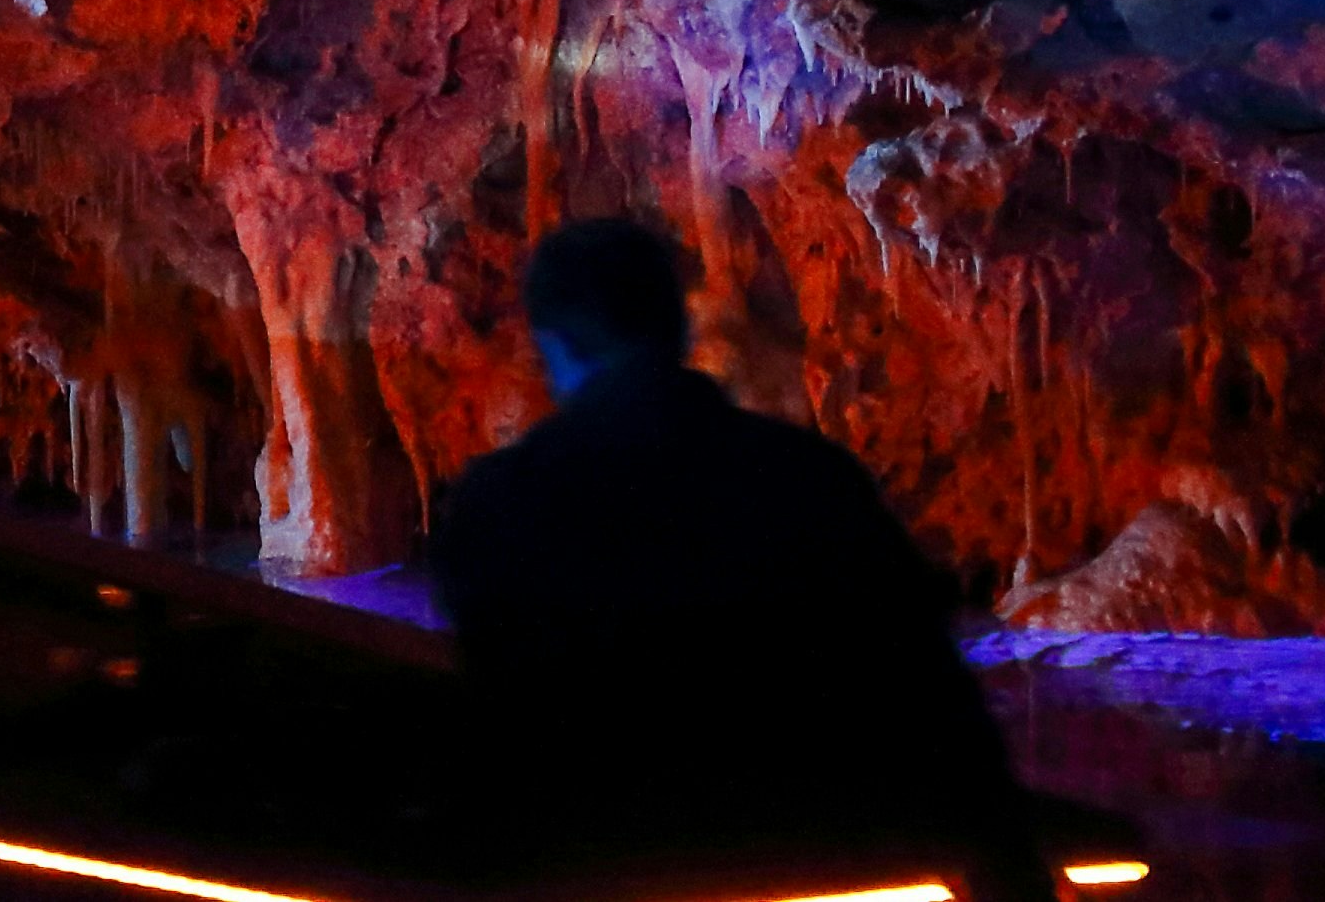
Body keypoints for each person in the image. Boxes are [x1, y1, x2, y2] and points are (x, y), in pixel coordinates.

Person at [430, 219, 1057, 902]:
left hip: (586, 856)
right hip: (812, 857)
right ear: (682, 330)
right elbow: (934, 694)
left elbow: (490, 710)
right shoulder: (811, 481)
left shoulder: (502, 501)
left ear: (550, 341)